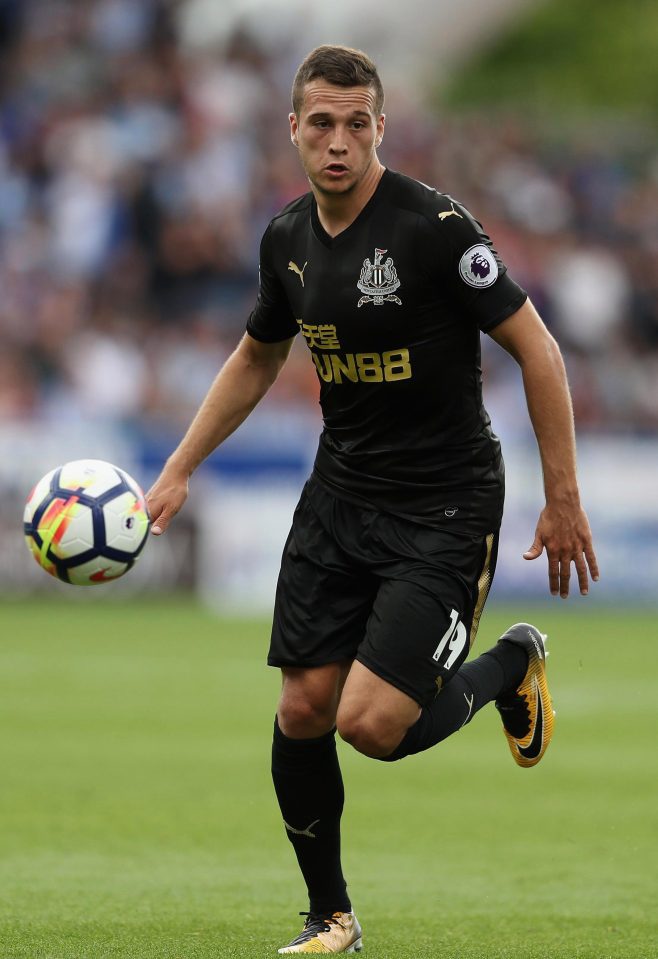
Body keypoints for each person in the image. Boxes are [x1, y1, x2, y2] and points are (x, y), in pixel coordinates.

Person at [146, 45, 599, 955]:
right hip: (341, 495)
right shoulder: (285, 241)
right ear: (294, 129)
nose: (339, 142)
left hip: (444, 503)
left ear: (380, 127)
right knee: (303, 710)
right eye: (322, 123)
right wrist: (179, 465)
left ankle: (511, 664)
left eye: (358, 124)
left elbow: (538, 349)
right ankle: (331, 917)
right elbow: (256, 356)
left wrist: (562, 496)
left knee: (372, 726)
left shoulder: (435, 227)